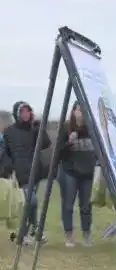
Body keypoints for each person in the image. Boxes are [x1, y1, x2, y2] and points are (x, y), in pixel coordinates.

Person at [4, 101, 51, 244]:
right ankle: (26, 234)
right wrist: (9, 168)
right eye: (23, 112)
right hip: (21, 173)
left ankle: (34, 232)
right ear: (17, 114)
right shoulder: (9, 132)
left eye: (28, 111)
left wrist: (39, 127)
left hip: (35, 171)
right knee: (32, 201)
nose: (26, 114)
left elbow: (46, 143)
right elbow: (5, 152)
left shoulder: (34, 129)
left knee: (32, 203)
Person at [58, 101, 95, 247]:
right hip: (70, 171)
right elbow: (58, 152)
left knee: (86, 206)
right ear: (73, 111)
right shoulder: (66, 128)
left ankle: (86, 234)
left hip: (88, 173)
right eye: (79, 110)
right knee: (68, 204)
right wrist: (68, 142)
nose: (82, 113)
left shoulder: (92, 128)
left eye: (84, 110)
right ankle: (69, 236)